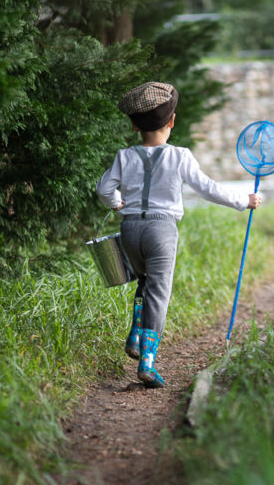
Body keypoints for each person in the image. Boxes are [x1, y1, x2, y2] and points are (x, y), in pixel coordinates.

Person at [96, 81, 261, 388]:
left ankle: (135, 335)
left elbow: (104, 188)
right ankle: (147, 362)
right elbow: (208, 188)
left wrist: (117, 202)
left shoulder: (124, 156)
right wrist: (244, 200)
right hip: (162, 231)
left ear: (133, 125)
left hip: (130, 229)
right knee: (159, 292)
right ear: (171, 122)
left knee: (143, 281)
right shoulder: (180, 156)